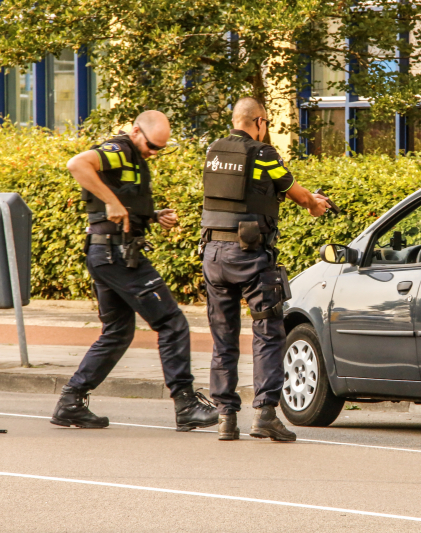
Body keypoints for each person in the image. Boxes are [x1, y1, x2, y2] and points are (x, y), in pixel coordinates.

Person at [51, 111, 218, 432]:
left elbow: (124, 202)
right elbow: (77, 164)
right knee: (172, 322)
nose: (153, 153)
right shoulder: (120, 149)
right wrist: (112, 202)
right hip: (116, 254)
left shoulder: (134, 159)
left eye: (160, 149)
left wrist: (153, 215)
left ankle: (71, 402)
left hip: (108, 253)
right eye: (152, 146)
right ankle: (185, 405)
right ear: (137, 131)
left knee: (118, 332)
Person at [202, 97, 329, 441]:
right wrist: (316, 203)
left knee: (223, 336)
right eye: (267, 123)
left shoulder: (214, 150)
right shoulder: (263, 154)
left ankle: (226, 417)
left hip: (212, 254)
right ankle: (265, 414)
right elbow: (298, 195)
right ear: (258, 121)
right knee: (268, 331)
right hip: (249, 255)